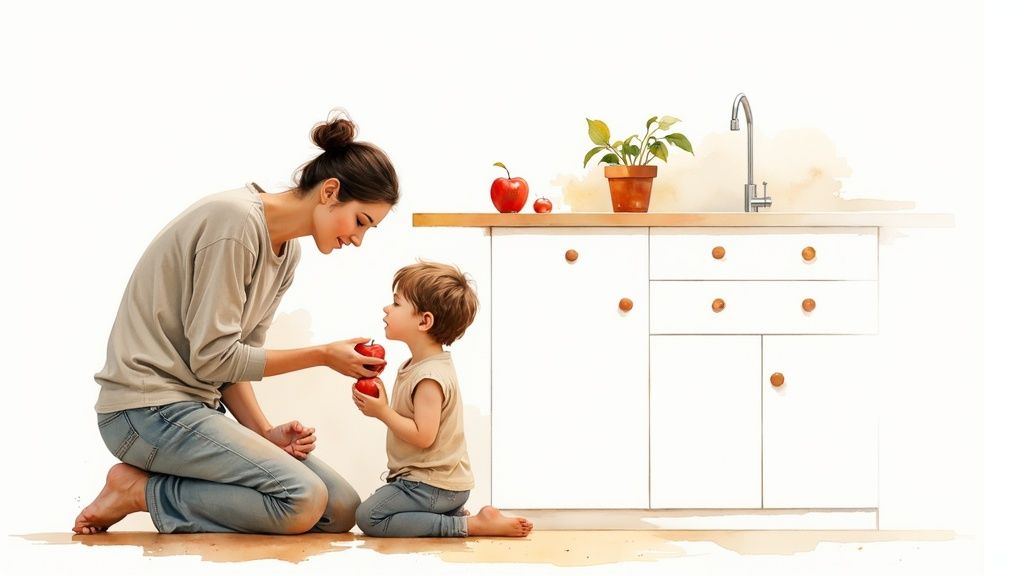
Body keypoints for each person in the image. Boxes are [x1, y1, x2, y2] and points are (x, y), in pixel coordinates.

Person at [73, 111, 399, 535]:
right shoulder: (236, 222)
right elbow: (215, 358)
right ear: (330, 191)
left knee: (338, 509)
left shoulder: (287, 253)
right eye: (360, 222)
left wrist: (263, 432)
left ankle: (157, 487)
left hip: (193, 409)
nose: (357, 239)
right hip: (143, 411)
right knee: (301, 500)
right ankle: (136, 490)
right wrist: (321, 355)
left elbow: (232, 362)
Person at [351, 261, 533, 537]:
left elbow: (424, 436)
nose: (387, 309)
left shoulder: (429, 377)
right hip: (438, 484)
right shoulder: (422, 365)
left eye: (396, 303)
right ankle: (456, 513)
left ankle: (465, 524)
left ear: (424, 321)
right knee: (378, 508)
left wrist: (382, 411)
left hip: (431, 486)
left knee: (369, 517)